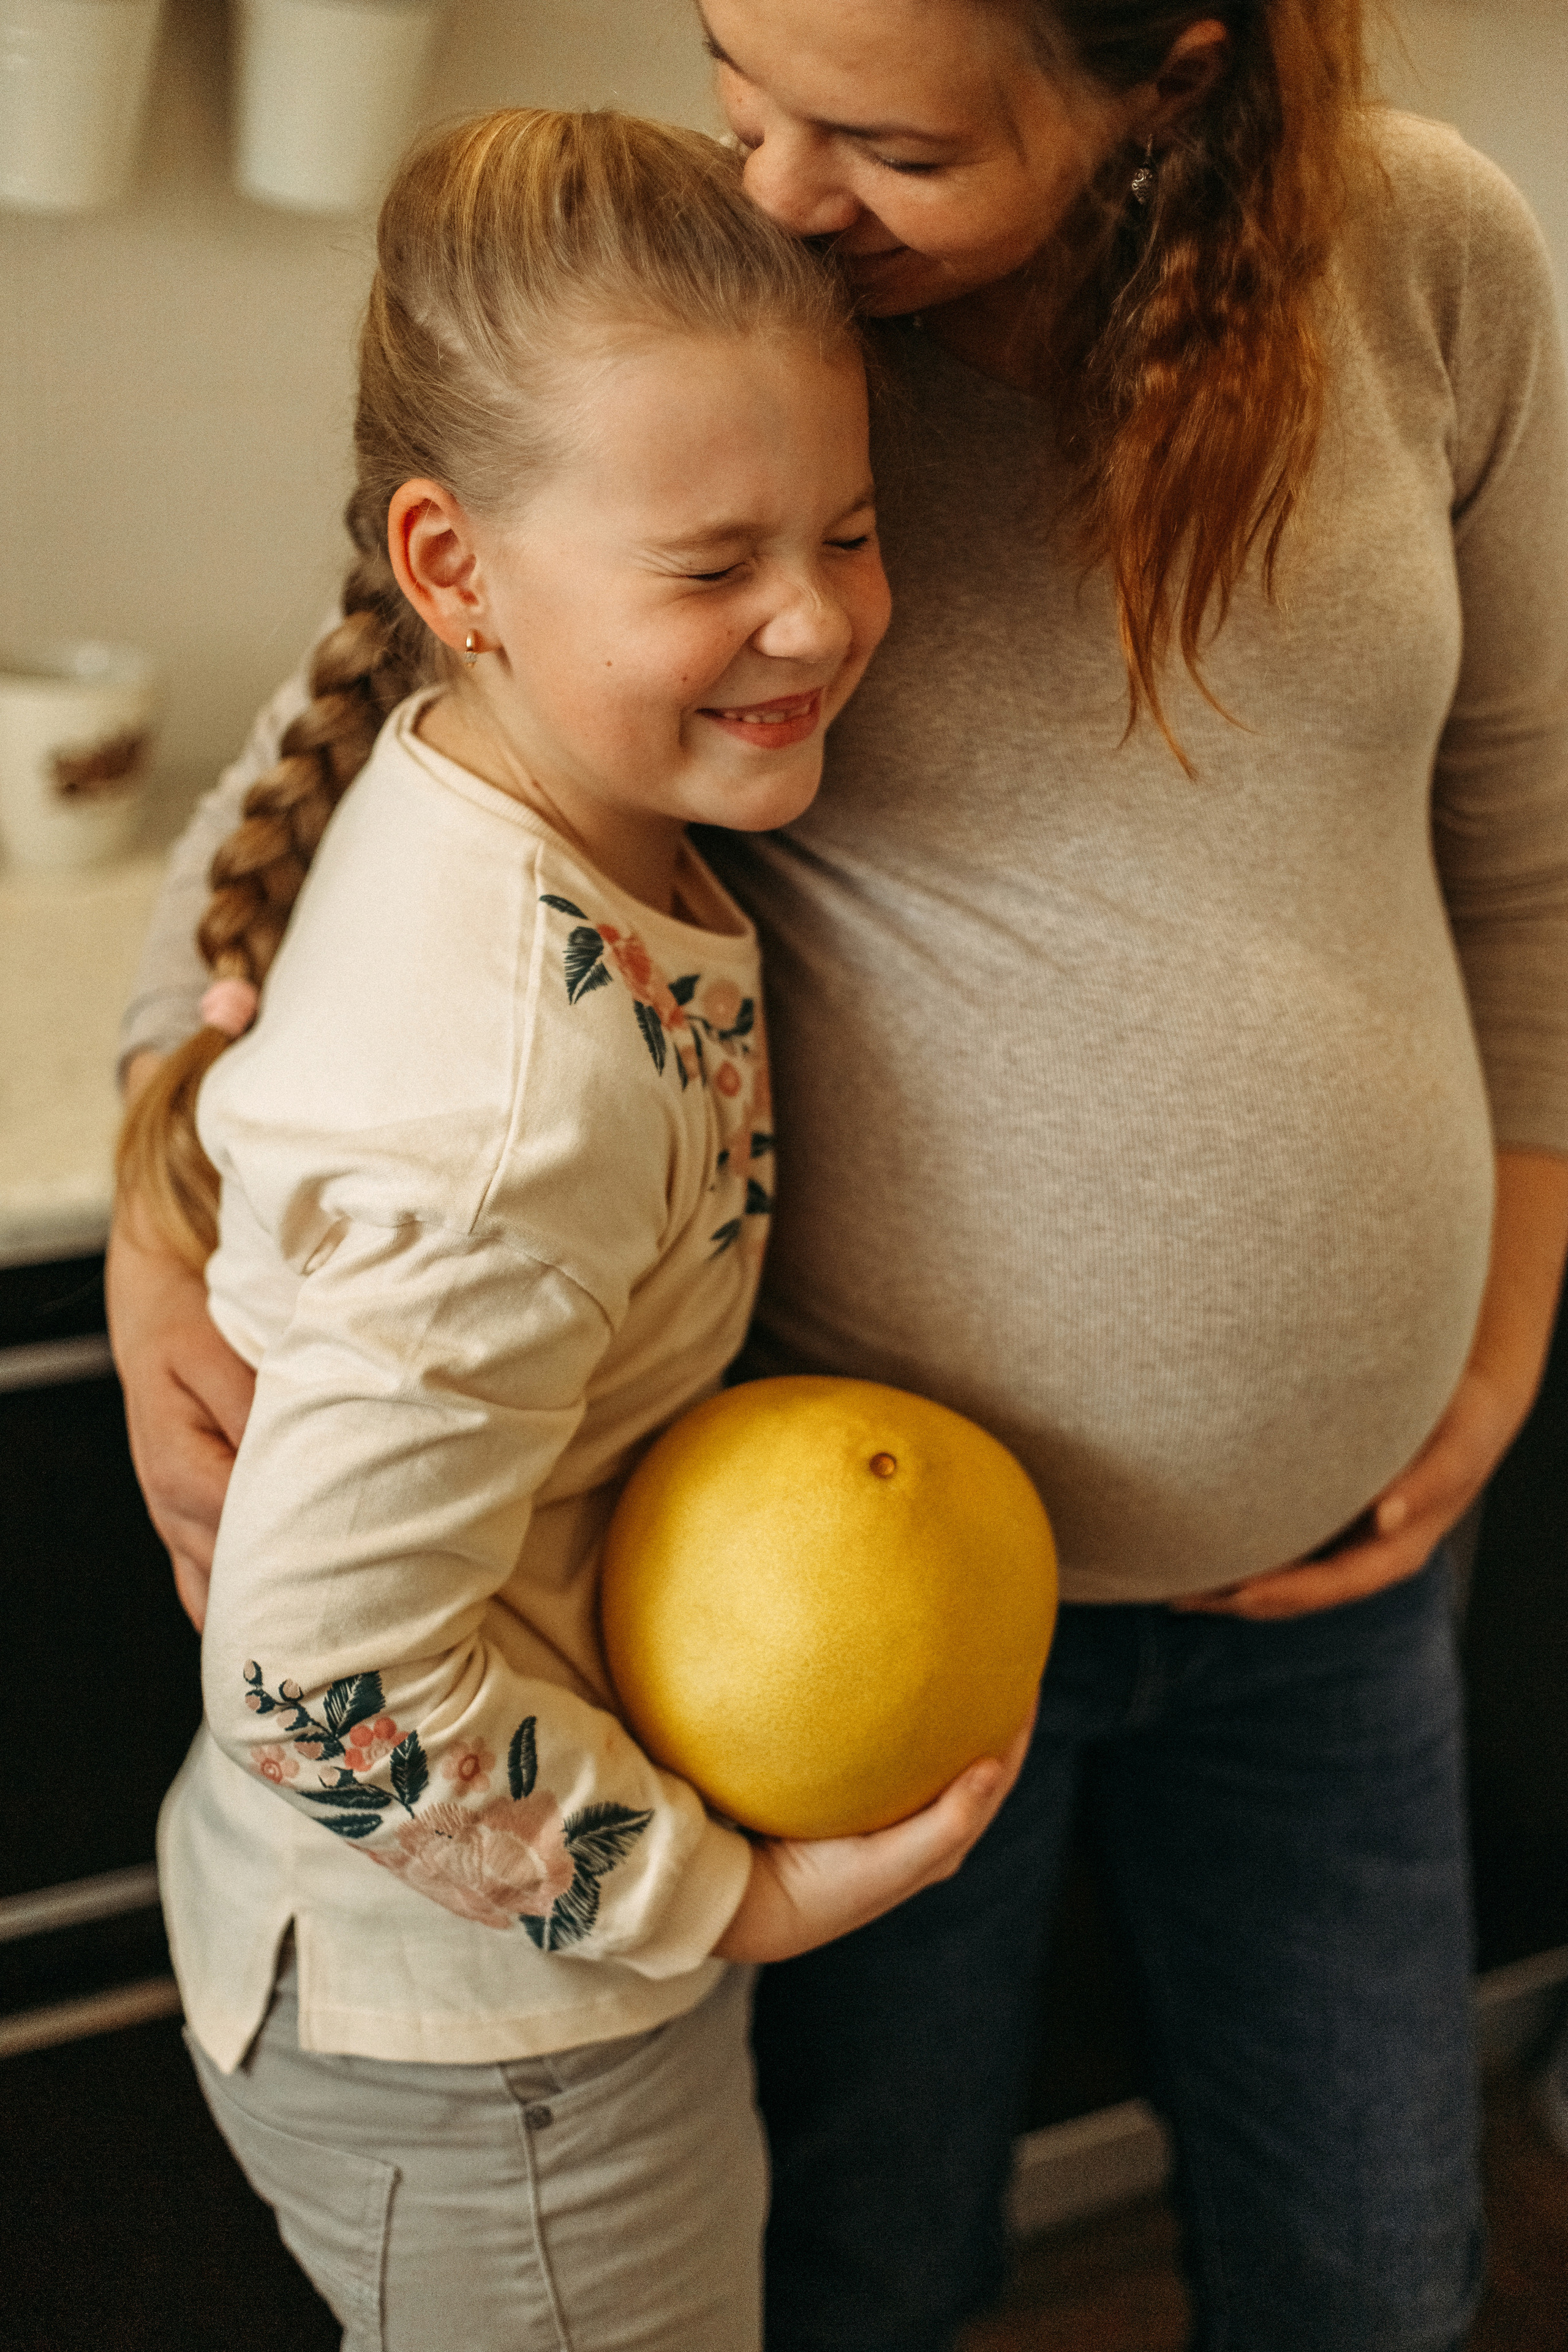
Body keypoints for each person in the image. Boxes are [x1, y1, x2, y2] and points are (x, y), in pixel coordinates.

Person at [111, 3, 1568, 2348]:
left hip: (1340, 1587)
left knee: (1383, 2271)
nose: (778, 191)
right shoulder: (712, 367)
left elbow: (1527, 844)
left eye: (880, 138)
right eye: (736, 84)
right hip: (819, 1630)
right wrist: (164, 1220)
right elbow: (329, 801)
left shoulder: (1435, 265)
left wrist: (1503, 1327)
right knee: (866, 2266)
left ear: (1168, 78)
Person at [116, 105, 1040, 2352]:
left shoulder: (498, 781)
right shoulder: (511, 1107)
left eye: (846, 528)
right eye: (713, 565)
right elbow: (322, 1679)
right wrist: (721, 1897)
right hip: (490, 2054)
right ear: (455, 570)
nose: (815, 618)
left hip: (467, 1994)